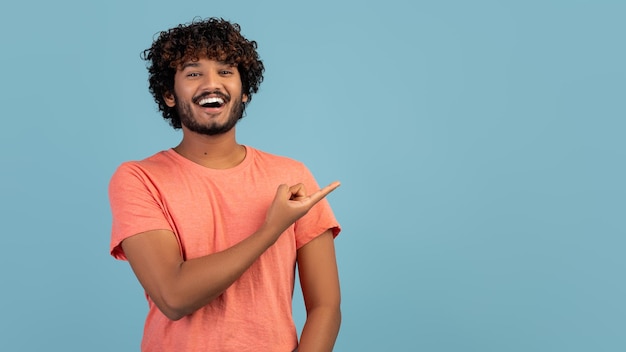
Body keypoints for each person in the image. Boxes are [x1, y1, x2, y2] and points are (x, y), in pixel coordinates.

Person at [108, 17, 341, 352]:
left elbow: (326, 306)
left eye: (226, 71)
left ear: (244, 92)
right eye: (193, 73)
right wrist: (270, 230)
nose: (211, 83)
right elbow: (174, 297)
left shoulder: (292, 177)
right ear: (169, 95)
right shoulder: (140, 179)